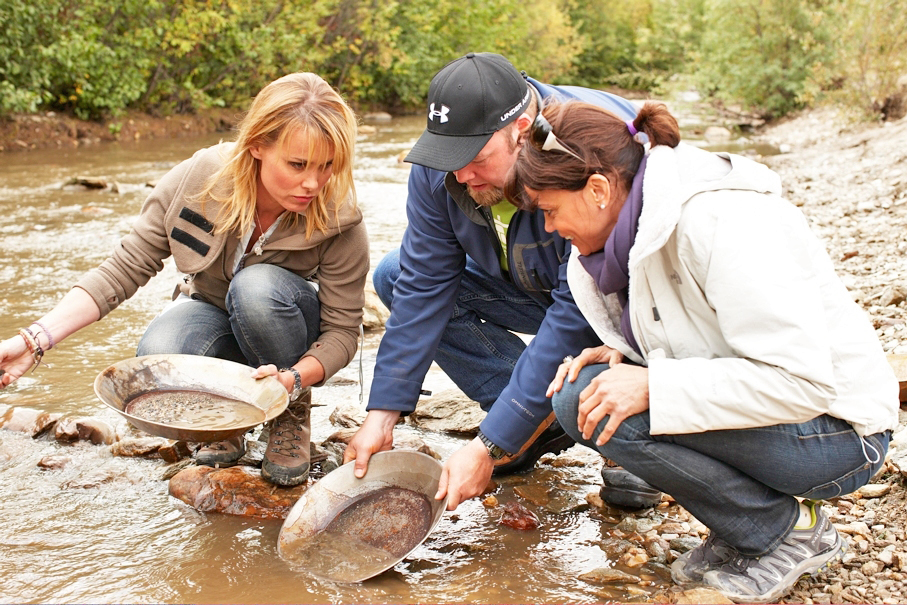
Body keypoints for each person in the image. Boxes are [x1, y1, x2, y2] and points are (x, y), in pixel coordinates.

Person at [503, 98, 899, 603]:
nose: (550, 229)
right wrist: (628, 359)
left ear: (599, 189)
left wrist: (653, 383)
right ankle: (745, 529)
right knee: (582, 397)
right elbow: (700, 336)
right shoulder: (624, 241)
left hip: (842, 435)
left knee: (610, 407)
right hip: (789, 420)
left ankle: (786, 531)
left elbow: (803, 383)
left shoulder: (720, 220)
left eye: (551, 211)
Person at [0, 72, 369, 487]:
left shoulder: (341, 219)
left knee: (256, 288)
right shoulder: (200, 178)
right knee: (159, 351)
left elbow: (342, 332)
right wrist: (34, 341)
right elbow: (124, 267)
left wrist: (294, 380)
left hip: (287, 329)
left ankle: (289, 415)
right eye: (298, 164)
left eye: (327, 166)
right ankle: (226, 421)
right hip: (213, 311)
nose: (313, 183)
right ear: (257, 145)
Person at [342, 51, 659, 510]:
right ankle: (538, 424)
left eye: (475, 157)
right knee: (395, 274)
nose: (460, 173)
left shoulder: (585, 149)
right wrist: (382, 413)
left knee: (623, 318)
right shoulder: (444, 162)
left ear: (523, 129)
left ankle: (626, 432)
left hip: (620, 293)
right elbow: (424, 283)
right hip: (528, 280)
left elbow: (578, 306)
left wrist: (488, 443)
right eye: (449, 155)